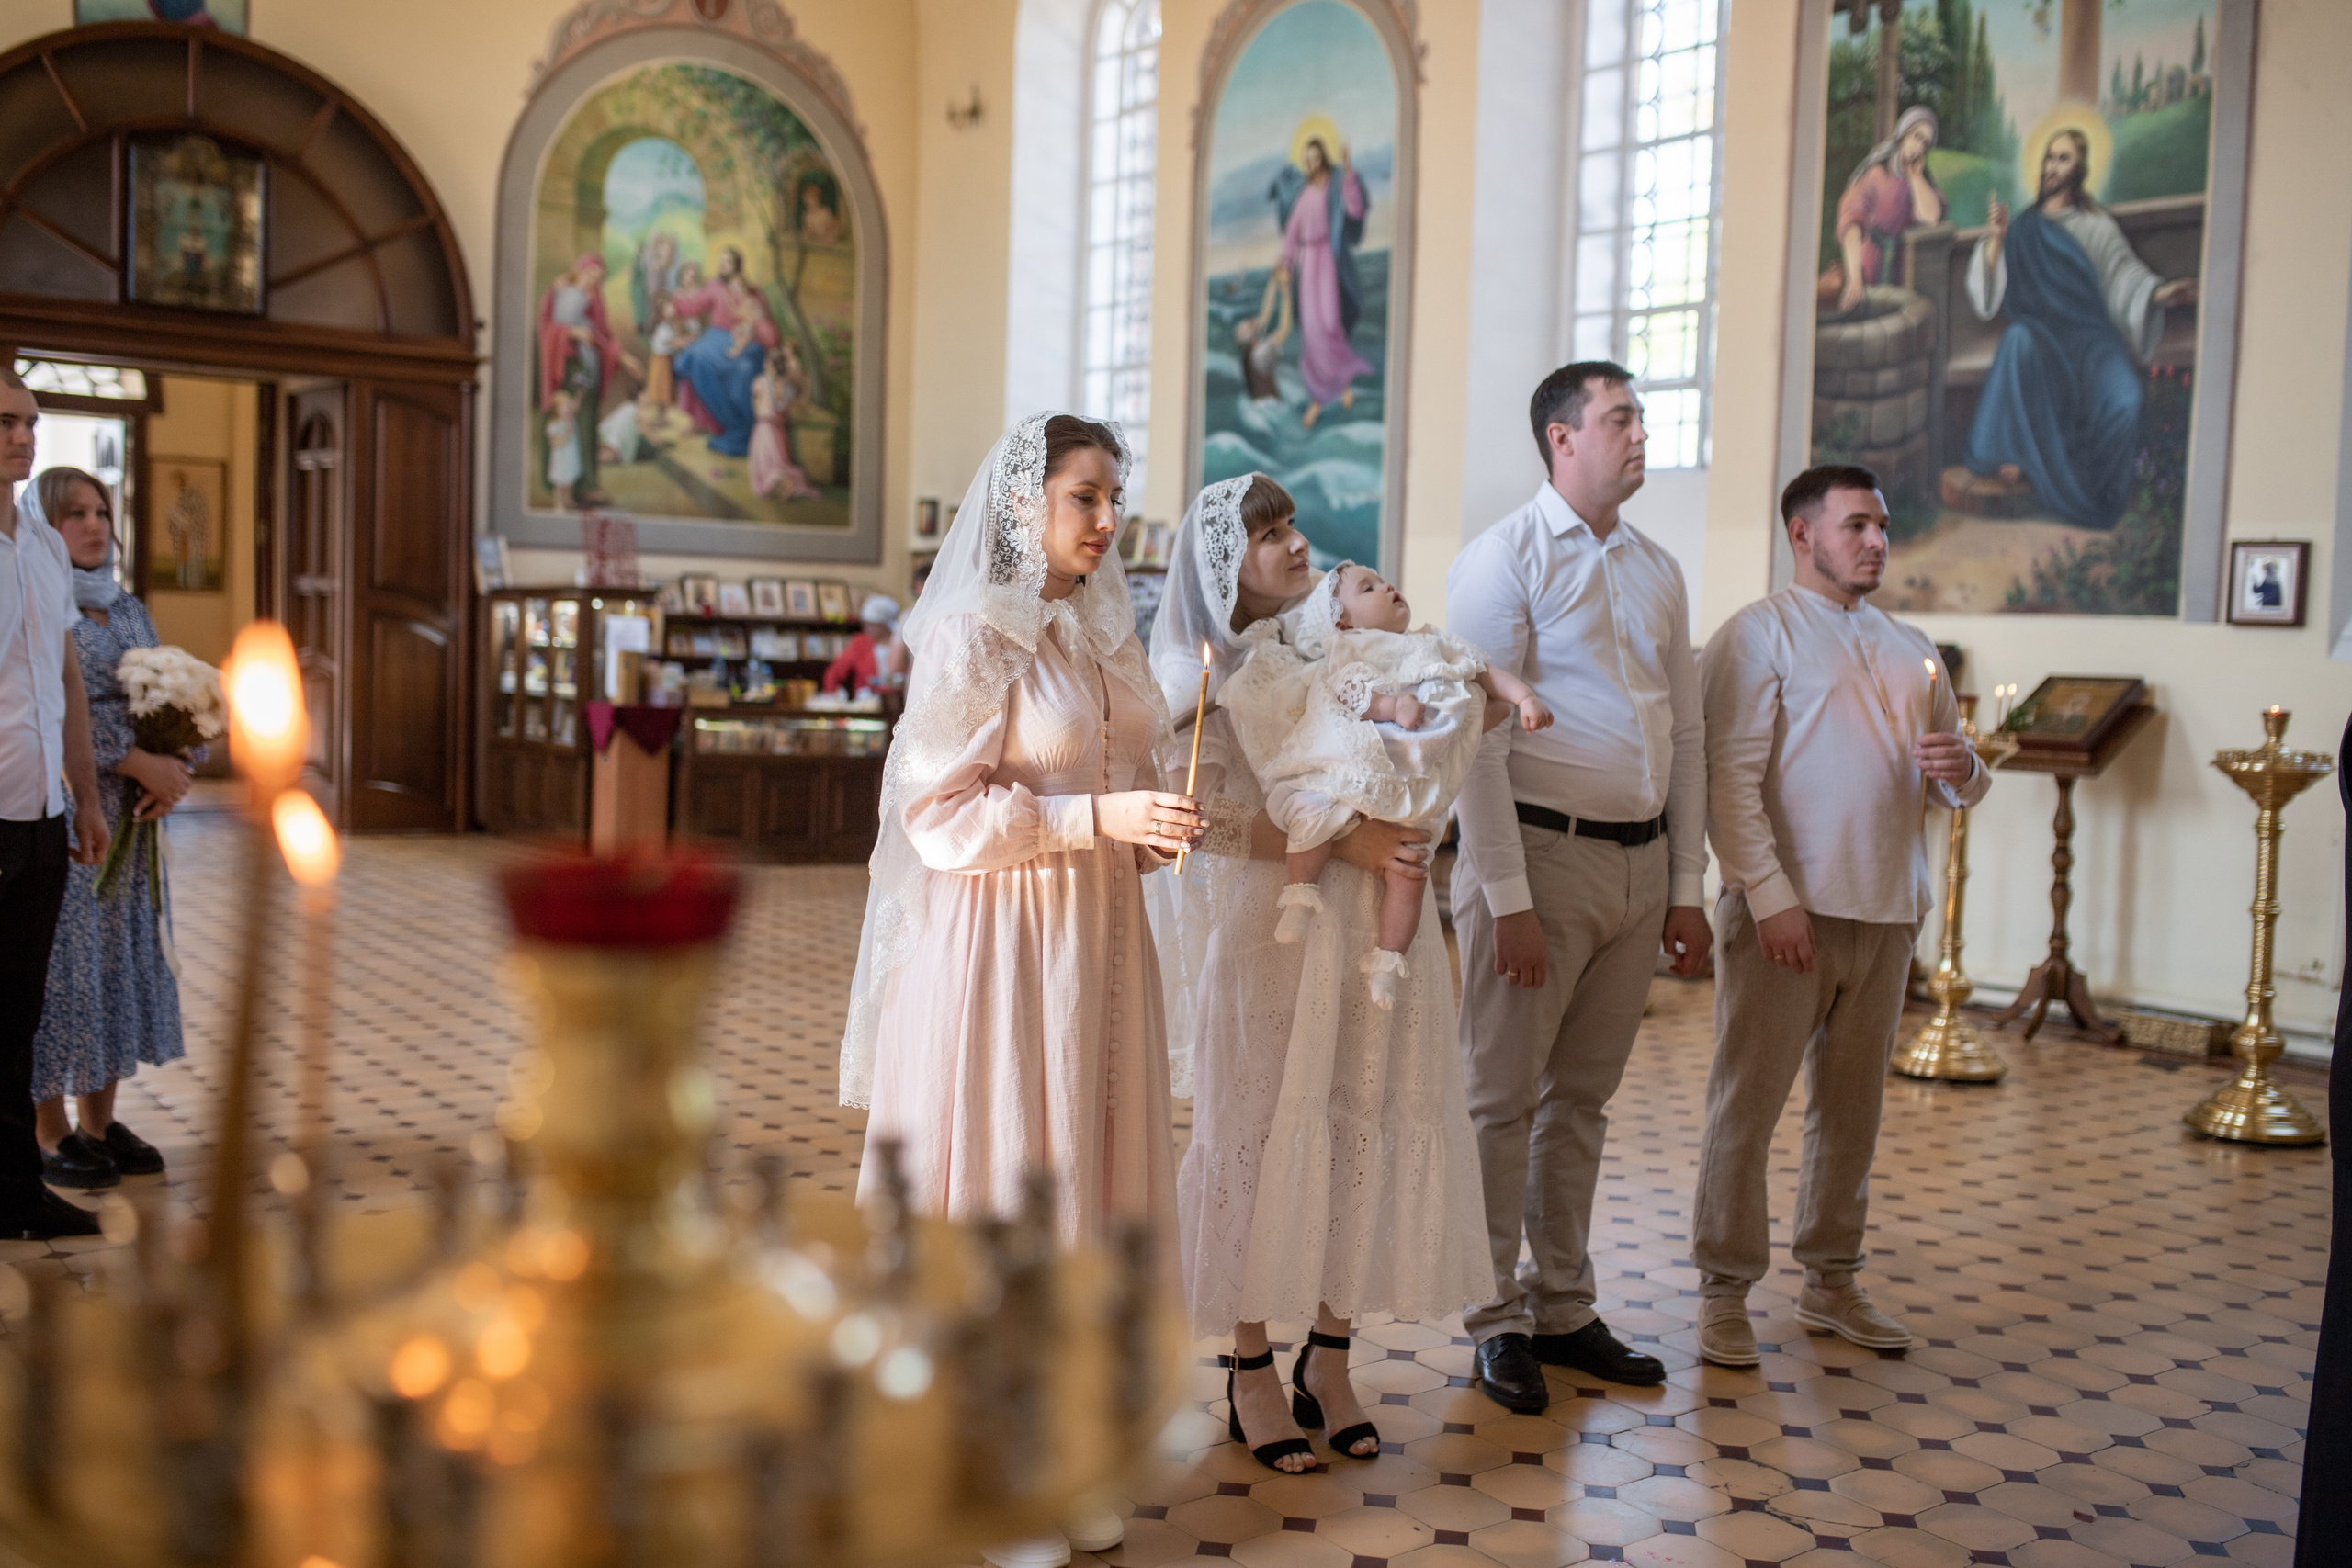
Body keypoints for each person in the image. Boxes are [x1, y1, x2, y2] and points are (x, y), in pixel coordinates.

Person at [840, 414, 1198, 1568]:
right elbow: (935, 816)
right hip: (1002, 943)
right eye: (1085, 498)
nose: (1108, 521)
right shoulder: (967, 631)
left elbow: (1119, 773)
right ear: (1022, 504)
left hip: (1099, 935)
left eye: (1115, 499)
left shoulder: (1103, 630)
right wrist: (1098, 818)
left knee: (1095, 1168)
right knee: (1018, 1167)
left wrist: (1153, 833)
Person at [1152, 474, 1489, 1475]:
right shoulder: (1198, 674)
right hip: (1277, 927)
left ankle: (1331, 1357)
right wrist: (1341, 844)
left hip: (1384, 926)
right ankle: (1249, 1363)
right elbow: (1192, 824)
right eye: (1267, 535)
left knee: (1366, 1120)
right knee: (1259, 1128)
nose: (1293, 544)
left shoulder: (1349, 640)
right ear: (1225, 565)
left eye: (1292, 525)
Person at [1446, 360, 1712, 1410]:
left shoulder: (1656, 567)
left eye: (1640, 418)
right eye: (1619, 419)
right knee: (1499, 1101)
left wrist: (1685, 883)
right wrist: (1505, 897)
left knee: (1583, 1102)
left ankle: (1562, 1306)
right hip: (1539, 859)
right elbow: (1473, 735)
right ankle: (1491, 1316)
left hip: (1639, 862)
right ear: (1562, 439)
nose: (1639, 435)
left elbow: (1684, 734)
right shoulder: (1502, 560)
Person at [1690, 465, 1987, 1366]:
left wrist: (1963, 766)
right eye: (1855, 525)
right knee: (1747, 1106)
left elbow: (1959, 783)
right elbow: (1728, 787)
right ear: (1801, 534)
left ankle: (1830, 1280)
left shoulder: (1910, 646)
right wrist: (1769, 898)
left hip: (1885, 910)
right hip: (1789, 913)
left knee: (1851, 1114)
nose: (1876, 542)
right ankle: (1723, 1290)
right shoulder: (1755, 635)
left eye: (1883, 526)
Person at [1220, 561, 1549, 1009]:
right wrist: (1390, 705)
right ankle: (1300, 895)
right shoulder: (1348, 649)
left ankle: (1388, 961)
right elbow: (1342, 694)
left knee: (1410, 873)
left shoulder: (1434, 641)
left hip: (1409, 780)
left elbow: (1484, 672)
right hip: (1360, 769)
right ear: (1342, 619)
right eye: (1368, 587)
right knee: (1313, 812)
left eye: (1383, 580)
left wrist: (1524, 696)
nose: (1388, 586)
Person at [28, 468, 187, 1190]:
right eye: (74, 514)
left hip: (134, 818)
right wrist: (133, 760)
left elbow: (176, 693)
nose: (93, 525)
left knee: (117, 965)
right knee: (63, 968)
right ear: (44, 526)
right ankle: (48, 1128)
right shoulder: (37, 601)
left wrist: (179, 764)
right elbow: (47, 709)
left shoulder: (127, 608)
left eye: (101, 511)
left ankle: (100, 1121)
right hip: (65, 807)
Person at [0, 369, 112, 1239]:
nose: (23, 437)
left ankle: (15, 1188)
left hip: (39, 804)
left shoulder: (39, 543)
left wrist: (85, 796)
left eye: (31, 423)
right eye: (6, 422)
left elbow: (68, 677)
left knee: (19, 1005)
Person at [1962, 128, 2198, 529]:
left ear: (2081, 168)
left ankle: (2096, 492)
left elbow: (2124, 275)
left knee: (2126, 399)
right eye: (2049, 157)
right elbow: (1987, 300)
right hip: (2041, 337)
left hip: (2091, 341)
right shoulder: (2022, 228)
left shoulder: (2096, 226)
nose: (2052, 166)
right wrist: (1997, 242)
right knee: (2016, 341)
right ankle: (2023, 455)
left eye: (2063, 158)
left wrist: (2159, 293)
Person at [1272, 136, 1372, 429]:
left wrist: (1349, 171)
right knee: (1313, 332)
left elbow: (1354, 209)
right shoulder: (1304, 196)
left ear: (1324, 158)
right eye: (1308, 160)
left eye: (1316, 158)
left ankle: (1341, 384)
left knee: (1330, 325)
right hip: (1308, 265)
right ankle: (1319, 397)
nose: (1312, 164)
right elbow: (1291, 235)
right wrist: (1287, 265)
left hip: (1328, 260)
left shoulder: (1335, 186)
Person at [1822, 105, 1945, 311]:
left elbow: (1931, 216)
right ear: (1903, 136)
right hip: (1864, 269)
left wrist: (1915, 176)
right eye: (1916, 136)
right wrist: (1854, 278)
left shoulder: (1922, 183)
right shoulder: (1877, 175)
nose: (1919, 146)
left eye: (1926, 142)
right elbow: (1851, 223)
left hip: (1901, 276)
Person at [669, 248, 780, 457]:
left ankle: (742, 429)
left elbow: (769, 333)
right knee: (695, 356)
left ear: (738, 266)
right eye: (721, 262)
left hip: (748, 342)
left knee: (745, 369)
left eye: (727, 262)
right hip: (716, 338)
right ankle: (726, 422)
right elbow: (695, 303)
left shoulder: (752, 293)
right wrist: (674, 304)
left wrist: (755, 323)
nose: (723, 266)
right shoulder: (714, 286)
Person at [748, 355, 820, 502]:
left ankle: (783, 488)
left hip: (764, 428)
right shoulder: (788, 389)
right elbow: (800, 407)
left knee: (768, 464)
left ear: (772, 368)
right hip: (779, 431)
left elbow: (755, 408)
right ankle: (785, 487)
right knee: (778, 462)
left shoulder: (761, 382)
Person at [820, 594, 904, 698]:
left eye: (873, 624)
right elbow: (834, 673)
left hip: (899, 702)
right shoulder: (860, 643)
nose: (867, 628)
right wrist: (833, 696)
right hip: (867, 704)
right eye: (866, 624)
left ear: (885, 625)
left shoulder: (901, 643)